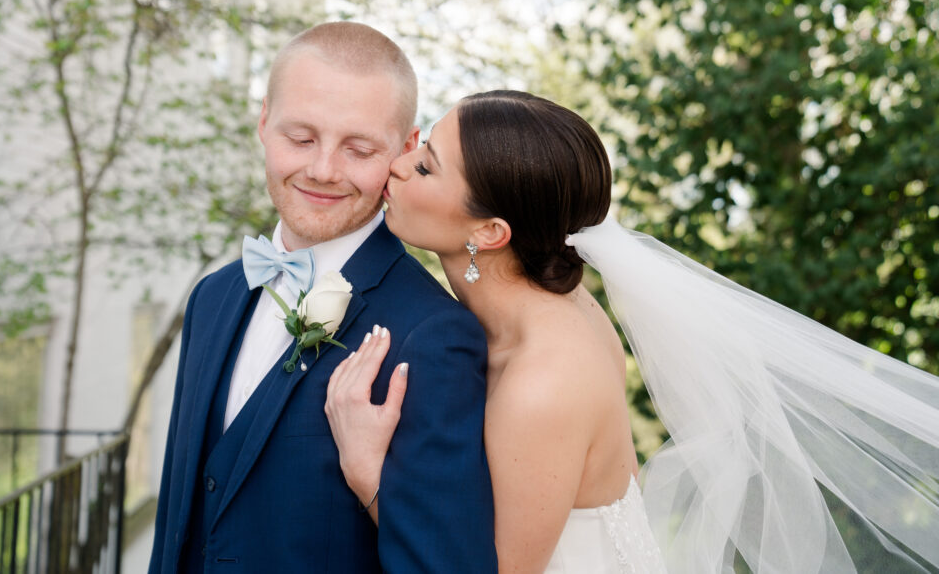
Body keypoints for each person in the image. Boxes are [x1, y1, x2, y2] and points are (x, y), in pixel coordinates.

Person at [325, 90, 939, 573]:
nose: (397, 165)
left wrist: (368, 474)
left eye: (426, 165)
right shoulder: (558, 304)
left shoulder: (544, 378)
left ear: (489, 232)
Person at [148, 23, 498, 574]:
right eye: (301, 138)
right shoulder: (211, 297)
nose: (323, 170)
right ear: (264, 121)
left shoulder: (433, 335)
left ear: (405, 149)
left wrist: (371, 479)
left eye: (359, 149)